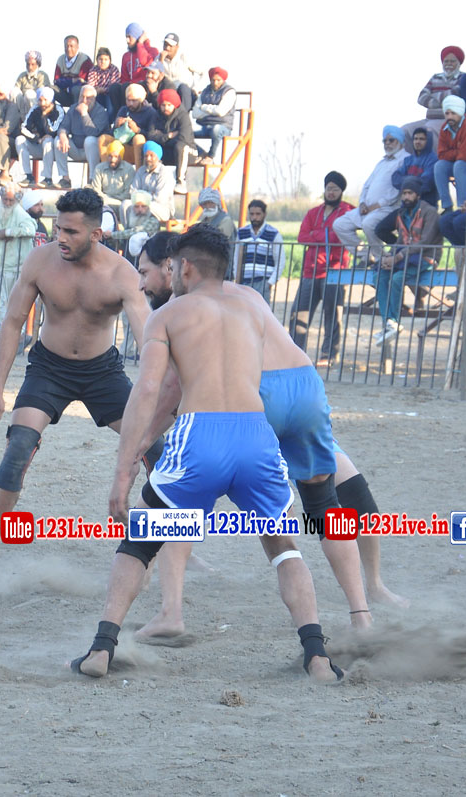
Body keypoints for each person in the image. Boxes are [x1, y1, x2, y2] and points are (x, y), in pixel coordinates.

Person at [72, 225, 343, 682]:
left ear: (185, 268)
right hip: (255, 434)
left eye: (172, 265)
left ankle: (101, 649)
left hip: (201, 435)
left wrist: (124, 469)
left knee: (139, 542)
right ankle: (317, 656)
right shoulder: (254, 309)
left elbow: (150, 390)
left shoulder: (168, 315)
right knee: (284, 548)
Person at [131, 230, 406, 643]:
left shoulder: (182, 308)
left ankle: (170, 610)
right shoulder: (246, 295)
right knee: (328, 503)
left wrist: (141, 442)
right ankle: (362, 613)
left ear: (177, 267)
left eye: (147, 272)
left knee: (181, 495)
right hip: (305, 384)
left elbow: (170, 390)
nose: (143, 283)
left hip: (258, 395)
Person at [0, 188, 155, 572]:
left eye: (71, 231)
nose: (61, 238)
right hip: (49, 369)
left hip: (102, 372)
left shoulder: (122, 275)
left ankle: (173, 544)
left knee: (159, 449)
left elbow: (150, 341)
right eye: (58, 229)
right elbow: (13, 323)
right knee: (18, 447)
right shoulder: (40, 261)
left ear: (96, 234)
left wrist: (161, 399)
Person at [372, 177, 442, 344]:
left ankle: (394, 321)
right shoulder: (402, 213)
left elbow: (425, 242)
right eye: (403, 193)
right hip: (405, 255)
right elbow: (400, 240)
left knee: (397, 278)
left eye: (410, 193)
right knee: (379, 275)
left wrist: (398, 256)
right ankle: (388, 323)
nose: (406, 197)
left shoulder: (430, 212)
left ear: (418, 195)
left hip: (426, 256)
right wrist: (389, 256)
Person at [292, 174, 353, 366]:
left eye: (335, 189)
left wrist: (316, 234)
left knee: (332, 316)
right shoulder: (313, 212)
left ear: (341, 191)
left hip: (334, 271)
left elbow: (339, 237)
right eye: (329, 188)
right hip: (310, 271)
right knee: (298, 314)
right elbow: (302, 237)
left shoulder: (348, 212)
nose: (331, 192)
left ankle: (329, 354)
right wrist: (326, 234)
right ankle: (294, 353)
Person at [332, 126, 403, 261]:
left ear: (400, 141)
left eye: (391, 140)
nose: (387, 143)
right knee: (340, 224)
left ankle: (381, 259)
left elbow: (396, 191)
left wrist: (374, 207)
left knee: (368, 224)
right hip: (368, 209)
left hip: (388, 208)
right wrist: (362, 203)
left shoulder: (404, 160)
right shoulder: (382, 162)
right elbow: (367, 186)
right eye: (385, 141)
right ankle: (366, 258)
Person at [0, 182, 38, 330]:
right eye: (5, 199)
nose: (7, 203)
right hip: (2, 267)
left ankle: (16, 332)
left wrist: (8, 233)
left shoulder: (20, 213)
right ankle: (12, 329)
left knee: (16, 304)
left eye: (10, 200)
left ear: (17, 200)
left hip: (18, 267)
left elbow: (30, 229)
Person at [403, 46, 464, 138]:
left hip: (447, 121)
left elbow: (454, 95)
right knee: (405, 130)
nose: (449, 64)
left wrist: (432, 96)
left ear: (459, 63)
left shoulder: (462, 78)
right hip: (429, 119)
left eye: (452, 61)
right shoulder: (436, 77)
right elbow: (421, 97)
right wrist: (443, 101)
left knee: (427, 131)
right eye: (446, 61)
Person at [56, 84, 109, 181]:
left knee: (90, 140)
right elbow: (63, 126)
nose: (84, 101)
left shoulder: (101, 111)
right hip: (75, 149)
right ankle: (65, 178)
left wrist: (84, 114)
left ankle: (93, 179)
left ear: (94, 99)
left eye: (88, 98)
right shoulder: (73, 108)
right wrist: (63, 135)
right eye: (82, 97)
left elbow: (92, 132)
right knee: (58, 140)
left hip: (93, 151)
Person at [16, 87, 65, 188]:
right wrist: (36, 138)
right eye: (40, 100)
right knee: (19, 140)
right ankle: (28, 177)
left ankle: (48, 178)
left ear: (50, 99)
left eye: (45, 100)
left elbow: (53, 130)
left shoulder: (59, 109)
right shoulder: (35, 109)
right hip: (39, 144)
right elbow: (23, 128)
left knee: (48, 140)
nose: (42, 103)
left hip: (55, 148)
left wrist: (45, 116)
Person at [148, 88, 194, 193]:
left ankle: (181, 182)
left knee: (180, 146)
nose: (166, 108)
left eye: (169, 105)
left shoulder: (183, 116)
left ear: (174, 104)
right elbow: (150, 136)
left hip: (188, 152)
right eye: (163, 105)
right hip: (167, 150)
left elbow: (184, 138)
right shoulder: (156, 115)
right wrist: (168, 136)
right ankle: (150, 181)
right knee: (150, 146)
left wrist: (161, 136)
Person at [434, 96, 466, 212]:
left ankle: (463, 206)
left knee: (459, 165)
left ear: (460, 112)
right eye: (447, 113)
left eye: (453, 113)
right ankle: (447, 206)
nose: (449, 117)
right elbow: (441, 154)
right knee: (439, 166)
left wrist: (452, 153)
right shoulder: (445, 127)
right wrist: (458, 151)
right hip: (458, 163)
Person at [190, 66, 234, 163]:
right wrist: (213, 111)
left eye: (218, 80)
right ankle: (201, 153)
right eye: (213, 80)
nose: (215, 82)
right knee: (185, 133)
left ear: (223, 80)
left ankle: (210, 156)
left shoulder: (229, 92)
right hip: (205, 126)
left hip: (223, 126)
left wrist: (204, 108)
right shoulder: (205, 92)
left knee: (216, 130)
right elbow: (195, 113)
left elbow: (221, 111)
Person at [392, 127, 439, 207]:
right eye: (415, 139)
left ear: (428, 141)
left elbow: (427, 183)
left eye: (421, 139)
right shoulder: (408, 160)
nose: (417, 141)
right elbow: (395, 178)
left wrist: (407, 182)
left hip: (425, 205)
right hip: (405, 205)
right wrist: (412, 181)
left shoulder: (433, 159)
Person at [130, 141, 174, 223]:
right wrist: (148, 196)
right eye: (146, 156)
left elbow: (160, 198)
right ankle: (127, 230)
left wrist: (141, 198)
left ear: (158, 157)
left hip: (161, 209)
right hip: (141, 205)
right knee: (125, 204)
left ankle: (140, 229)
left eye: (151, 155)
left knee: (146, 207)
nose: (148, 159)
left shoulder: (165, 173)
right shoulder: (141, 171)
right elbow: (133, 191)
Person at [89, 139, 135, 211]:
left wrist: (110, 199)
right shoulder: (99, 168)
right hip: (103, 201)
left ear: (121, 157)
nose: (113, 160)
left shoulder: (129, 169)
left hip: (120, 203)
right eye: (110, 156)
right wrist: (105, 199)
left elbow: (128, 193)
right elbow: (96, 190)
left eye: (116, 156)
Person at [54, 35, 92, 106]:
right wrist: (72, 80)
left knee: (76, 89)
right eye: (66, 46)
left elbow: (82, 82)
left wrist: (66, 85)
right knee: (50, 89)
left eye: (71, 46)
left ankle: (76, 111)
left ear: (77, 47)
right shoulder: (60, 59)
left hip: (78, 95)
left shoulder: (84, 60)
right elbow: (56, 81)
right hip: (64, 93)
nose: (68, 49)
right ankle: (53, 111)